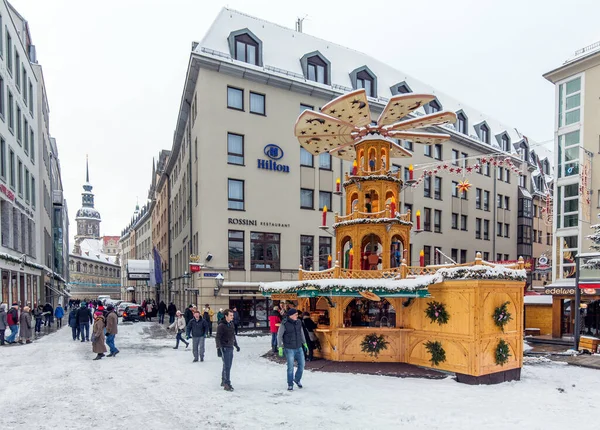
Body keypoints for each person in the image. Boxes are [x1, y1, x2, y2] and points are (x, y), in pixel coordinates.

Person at [277, 309, 308, 391]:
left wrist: (304, 343)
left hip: (299, 347)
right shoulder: (284, 323)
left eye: (297, 315)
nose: (297, 316)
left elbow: (301, 333)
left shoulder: (298, 322)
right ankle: (290, 384)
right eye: (295, 315)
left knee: (302, 365)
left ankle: (297, 379)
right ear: (290, 315)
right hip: (289, 348)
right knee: (290, 367)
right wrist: (280, 346)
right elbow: (279, 336)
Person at [215, 309, 239, 391]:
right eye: (231, 315)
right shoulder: (221, 326)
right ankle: (227, 383)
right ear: (226, 316)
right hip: (224, 347)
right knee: (227, 366)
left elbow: (233, 336)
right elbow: (217, 337)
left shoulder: (231, 324)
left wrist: (236, 345)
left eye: (233, 315)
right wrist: (218, 348)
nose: (232, 317)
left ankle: (223, 381)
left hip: (230, 346)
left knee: (227, 365)